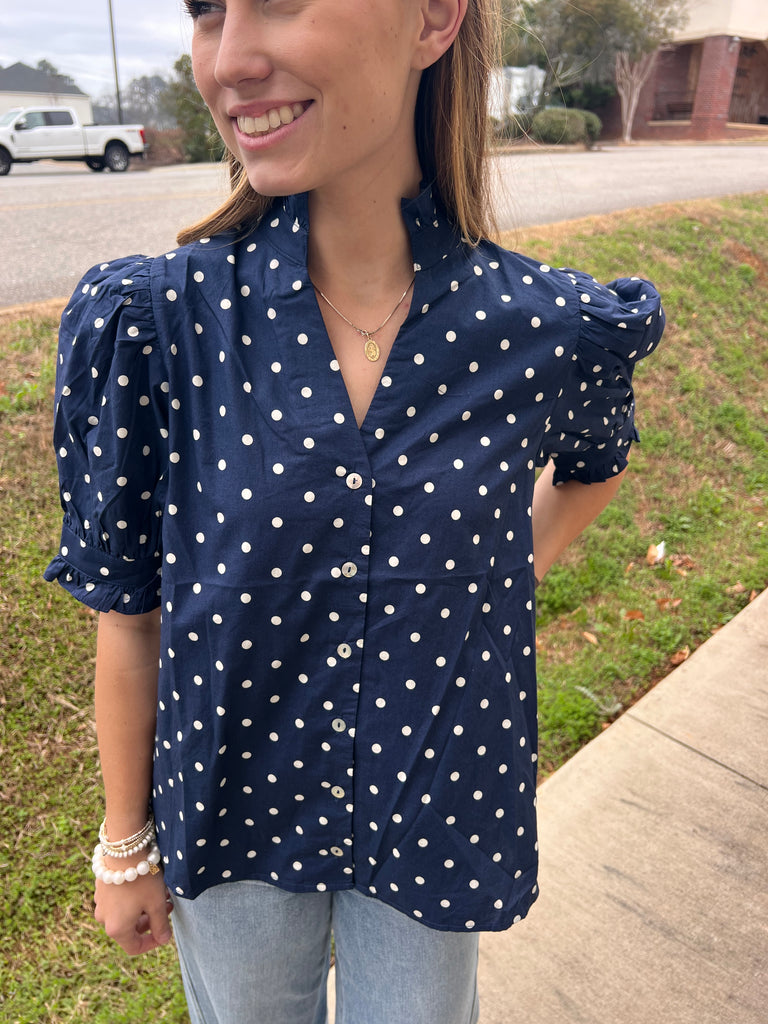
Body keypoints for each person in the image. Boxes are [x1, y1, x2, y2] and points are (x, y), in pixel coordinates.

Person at [45, 1, 665, 1021]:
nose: (229, 59)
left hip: (436, 807)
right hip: (234, 815)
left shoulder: (545, 328)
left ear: (433, 18)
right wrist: (124, 844)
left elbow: (594, 465)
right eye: (205, 10)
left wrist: (497, 577)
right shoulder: (161, 325)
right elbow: (131, 611)